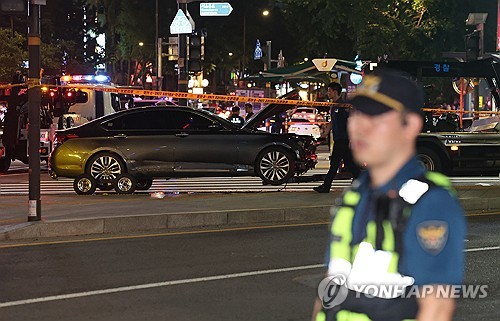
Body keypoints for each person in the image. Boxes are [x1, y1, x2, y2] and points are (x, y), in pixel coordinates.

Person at [311, 70, 466, 321]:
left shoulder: (429, 201)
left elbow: (436, 308)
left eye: (376, 117)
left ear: (410, 126)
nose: (360, 126)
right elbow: (330, 288)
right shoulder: (353, 198)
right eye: (358, 114)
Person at [314, 82, 359, 193]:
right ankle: (363, 181)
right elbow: (333, 121)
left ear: (335, 91)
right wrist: (325, 133)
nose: (327, 93)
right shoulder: (334, 105)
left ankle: (326, 186)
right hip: (338, 138)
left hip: (343, 139)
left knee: (334, 163)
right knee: (350, 164)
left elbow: (350, 121)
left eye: (329, 90)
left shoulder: (343, 105)